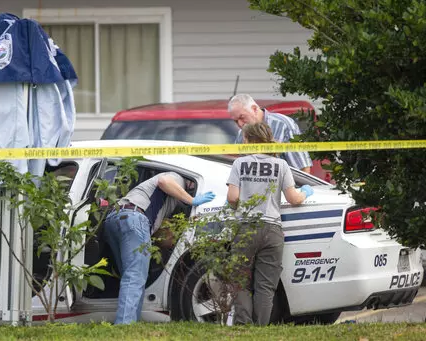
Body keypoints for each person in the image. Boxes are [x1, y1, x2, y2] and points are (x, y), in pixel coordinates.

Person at [226, 121, 314, 326]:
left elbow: (232, 197)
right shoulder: (281, 165)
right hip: (272, 230)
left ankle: (243, 327)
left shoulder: (240, 163)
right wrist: (305, 193)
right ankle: (261, 329)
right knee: (265, 286)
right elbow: (293, 198)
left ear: (248, 140)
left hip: (245, 228)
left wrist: (238, 205)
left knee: (240, 282)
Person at [103, 172, 216, 324]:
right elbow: (164, 181)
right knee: (134, 276)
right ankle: (124, 325)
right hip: (135, 218)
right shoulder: (177, 177)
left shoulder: (155, 191)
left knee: (129, 274)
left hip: (114, 218)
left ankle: (130, 321)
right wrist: (193, 200)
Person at [228, 94, 313, 174]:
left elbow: (302, 168)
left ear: (254, 109)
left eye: (242, 117)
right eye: (235, 121)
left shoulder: (283, 125)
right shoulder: (241, 134)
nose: (239, 124)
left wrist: (301, 189)